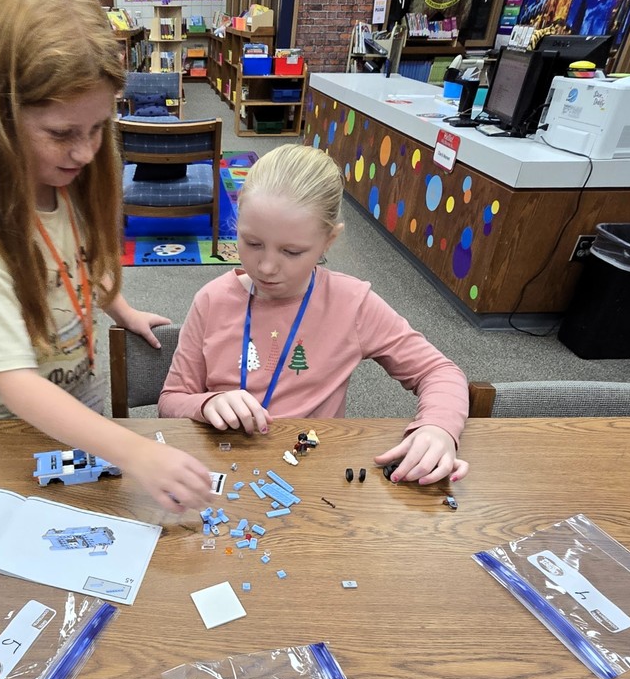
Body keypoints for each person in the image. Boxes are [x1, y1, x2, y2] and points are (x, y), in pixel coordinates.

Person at [0, 0, 211, 512]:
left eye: (98, 127)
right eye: (61, 133)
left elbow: (79, 259)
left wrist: (120, 308)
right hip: (10, 437)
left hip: (82, 408)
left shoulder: (62, 181)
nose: (86, 151)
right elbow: (16, 384)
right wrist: (135, 450)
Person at [158, 144, 469, 485]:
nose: (266, 266)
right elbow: (172, 400)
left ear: (328, 241)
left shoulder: (352, 303)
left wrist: (438, 428)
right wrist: (207, 404)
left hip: (311, 473)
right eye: (251, 243)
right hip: (224, 468)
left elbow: (439, 371)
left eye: (292, 251)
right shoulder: (211, 300)